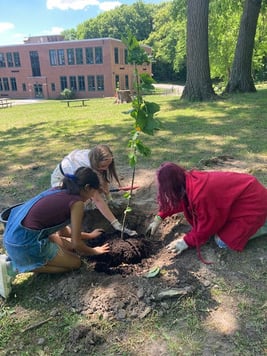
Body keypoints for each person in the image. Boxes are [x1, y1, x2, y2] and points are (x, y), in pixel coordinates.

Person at [0, 167, 111, 299]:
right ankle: (14, 267)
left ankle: (16, 258)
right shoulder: (77, 203)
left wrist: (89, 235)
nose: (93, 197)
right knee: (76, 263)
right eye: (94, 192)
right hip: (26, 244)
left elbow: (63, 232)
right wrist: (95, 251)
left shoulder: (60, 189)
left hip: (13, 236)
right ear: (87, 187)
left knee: (68, 246)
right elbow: (77, 244)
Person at [146, 162, 267, 261]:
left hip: (254, 202)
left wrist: (186, 242)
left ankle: (264, 224)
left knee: (222, 242)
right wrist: (159, 218)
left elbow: (208, 226)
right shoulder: (187, 181)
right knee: (218, 229)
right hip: (242, 198)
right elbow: (181, 201)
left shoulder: (200, 195)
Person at [51, 144, 137, 237]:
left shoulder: (95, 155)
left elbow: (103, 178)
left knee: (94, 190)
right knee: (79, 200)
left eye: (108, 165)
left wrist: (109, 199)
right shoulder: (85, 168)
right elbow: (97, 199)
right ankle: (77, 219)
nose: (106, 168)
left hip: (77, 178)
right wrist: (116, 224)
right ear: (96, 163)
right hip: (61, 181)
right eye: (103, 166)